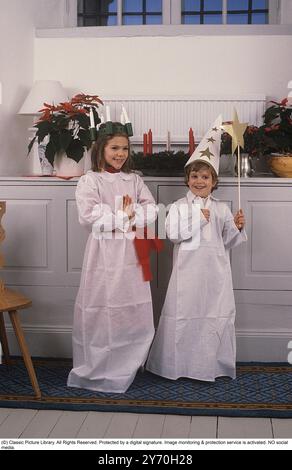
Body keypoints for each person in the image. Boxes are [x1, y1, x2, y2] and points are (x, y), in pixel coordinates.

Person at [146, 116, 247, 382]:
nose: (199, 181)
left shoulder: (221, 208)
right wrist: (197, 219)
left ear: (214, 181)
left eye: (205, 177)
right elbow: (173, 235)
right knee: (184, 315)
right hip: (187, 274)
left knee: (214, 314)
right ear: (187, 179)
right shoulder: (179, 206)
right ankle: (177, 366)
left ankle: (211, 366)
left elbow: (229, 241)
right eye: (194, 176)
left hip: (215, 272)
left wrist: (236, 227)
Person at [67, 120, 159, 393]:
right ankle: (100, 366)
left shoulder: (134, 180)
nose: (120, 154)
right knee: (102, 306)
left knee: (131, 306)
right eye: (114, 148)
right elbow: (89, 215)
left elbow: (152, 209)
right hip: (103, 254)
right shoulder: (90, 180)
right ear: (101, 149)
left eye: (125, 148)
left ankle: (127, 362)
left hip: (132, 251)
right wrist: (124, 217)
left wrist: (131, 217)